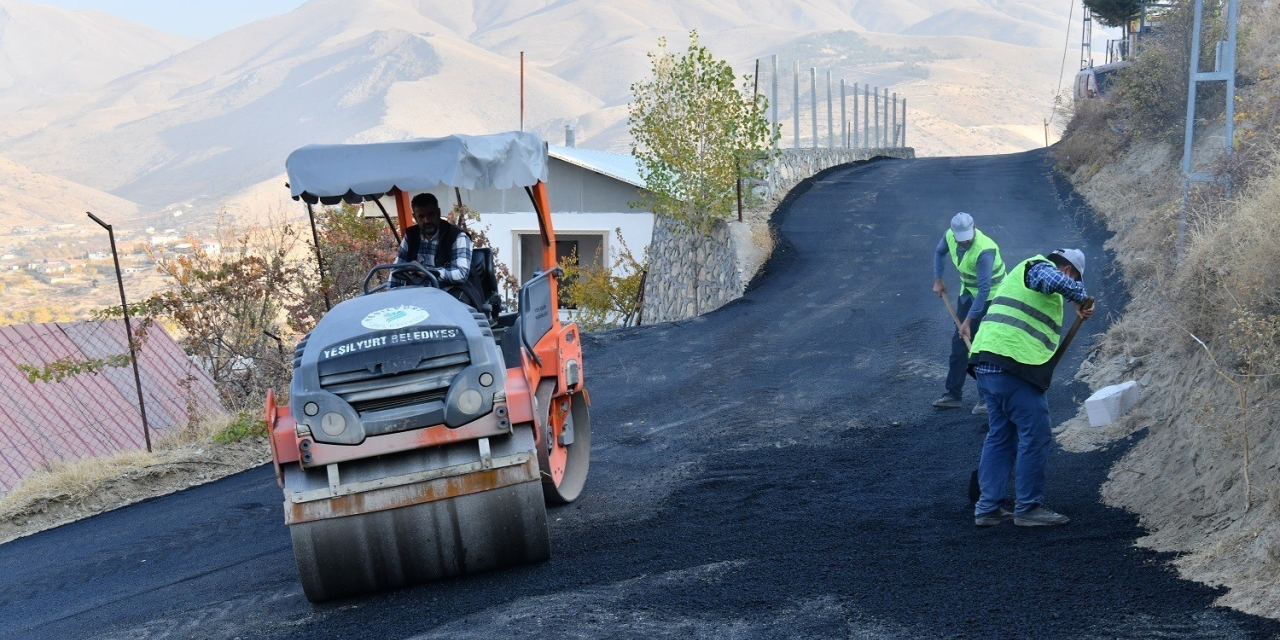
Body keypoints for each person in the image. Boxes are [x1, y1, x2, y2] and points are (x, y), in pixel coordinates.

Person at [968, 248, 1094, 527]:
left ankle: (988, 507)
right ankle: (1028, 507)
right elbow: (1055, 281)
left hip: (988, 365)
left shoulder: (1027, 281)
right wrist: (1081, 296)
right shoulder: (1038, 267)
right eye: (1073, 277)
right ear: (1068, 270)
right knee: (1035, 434)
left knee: (1001, 435)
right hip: (1011, 366)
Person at [932, 212, 1006, 414]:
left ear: (975, 228)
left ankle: (986, 399)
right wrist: (938, 279)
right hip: (968, 294)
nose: (964, 242)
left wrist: (968, 321)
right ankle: (953, 395)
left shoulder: (985, 250)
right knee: (959, 346)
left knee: (982, 346)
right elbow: (940, 252)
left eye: (967, 238)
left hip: (992, 298)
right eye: (960, 239)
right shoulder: (950, 236)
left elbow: (984, 290)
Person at [391, 193, 483, 309]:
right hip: (420, 295)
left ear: (438, 213)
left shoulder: (457, 236)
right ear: (415, 217)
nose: (427, 220)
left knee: (447, 308)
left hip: (451, 293)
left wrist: (427, 271)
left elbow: (461, 274)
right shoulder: (411, 236)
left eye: (430, 215)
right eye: (421, 216)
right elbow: (397, 269)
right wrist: (391, 297)